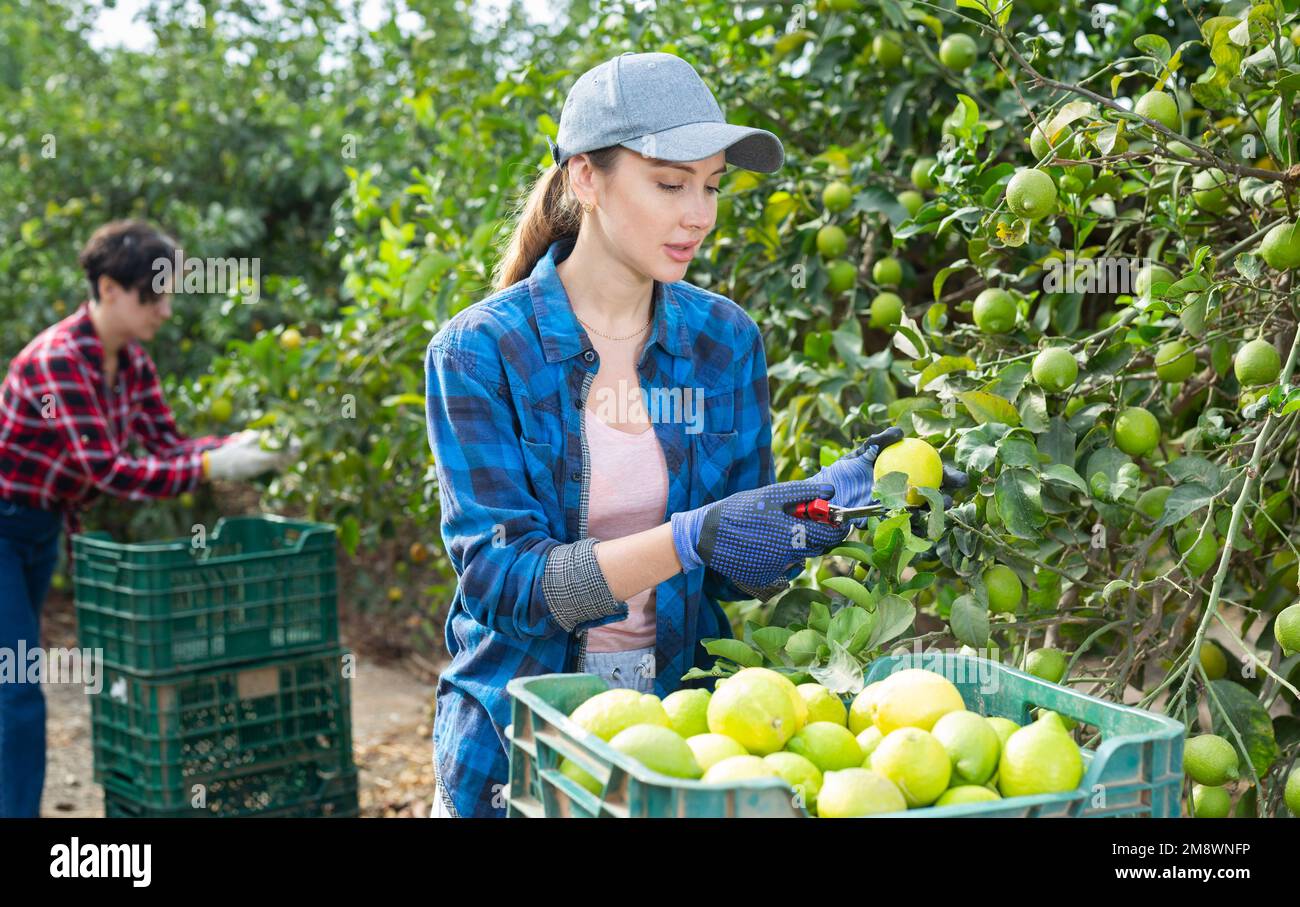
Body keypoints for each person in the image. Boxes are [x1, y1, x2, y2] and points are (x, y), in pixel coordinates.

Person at [424, 52, 964, 818]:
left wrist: (822, 511)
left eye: (711, 186)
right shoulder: (479, 353)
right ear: (586, 178)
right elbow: (505, 584)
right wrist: (687, 538)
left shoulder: (722, 340)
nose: (699, 215)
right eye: (670, 183)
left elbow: (731, 571)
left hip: (688, 733)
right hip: (521, 742)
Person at [0, 219, 295, 817]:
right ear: (109, 289)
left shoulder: (130, 363)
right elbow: (111, 472)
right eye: (150, 295)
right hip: (4, 524)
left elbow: (164, 447)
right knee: (18, 691)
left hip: (40, 527)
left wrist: (240, 445)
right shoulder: (59, 362)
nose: (163, 310)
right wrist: (216, 465)